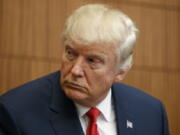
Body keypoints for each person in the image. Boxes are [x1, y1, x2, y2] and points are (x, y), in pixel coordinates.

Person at [0, 4, 169, 135]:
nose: (75, 70)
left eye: (92, 60)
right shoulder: (15, 111)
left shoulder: (151, 113)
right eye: (70, 54)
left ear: (121, 71)